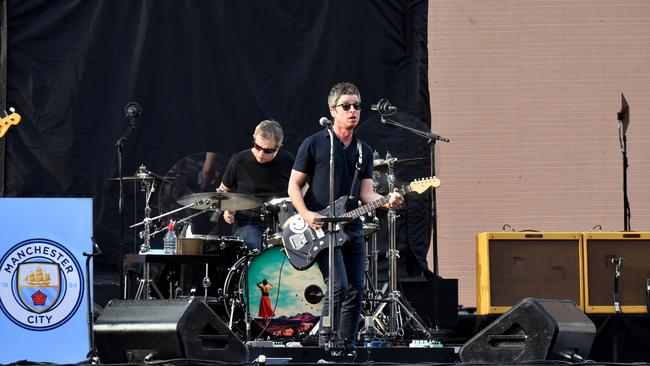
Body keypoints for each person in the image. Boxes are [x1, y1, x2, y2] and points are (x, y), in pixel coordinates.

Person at [287, 82, 403, 346]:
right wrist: (305, 213)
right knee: (337, 286)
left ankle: (346, 344)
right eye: (346, 106)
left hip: (351, 226)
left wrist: (387, 201)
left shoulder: (364, 150)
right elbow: (293, 185)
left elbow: (366, 194)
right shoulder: (315, 144)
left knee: (356, 289)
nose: (353, 111)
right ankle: (326, 342)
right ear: (333, 111)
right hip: (320, 227)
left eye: (357, 106)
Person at [220, 120, 294, 251]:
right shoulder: (238, 160)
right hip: (248, 222)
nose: (261, 153)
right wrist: (227, 208)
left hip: (283, 222)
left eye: (268, 151)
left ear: (279, 146)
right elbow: (224, 189)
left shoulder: (287, 160)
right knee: (255, 249)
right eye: (257, 147)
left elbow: (302, 187)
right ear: (254, 139)